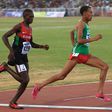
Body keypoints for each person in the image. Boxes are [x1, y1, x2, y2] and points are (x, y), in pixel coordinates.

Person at [32, 6, 111, 102]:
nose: (92, 14)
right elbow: (80, 40)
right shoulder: (81, 24)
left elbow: (71, 32)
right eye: (90, 12)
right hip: (79, 55)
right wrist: (95, 38)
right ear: (85, 13)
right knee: (104, 67)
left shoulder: (83, 24)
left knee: (62, 76)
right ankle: (100, 93)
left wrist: (74, 46)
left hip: (80, 54)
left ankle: (39, 86)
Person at [0, 9, 49, 109]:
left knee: (24, 81)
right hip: (17, 55)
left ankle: (13, 102)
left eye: (33, 16)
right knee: (25, 80)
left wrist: (42, 46)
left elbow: (30, 43)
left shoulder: (29, 29)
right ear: (25, 16)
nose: (32, 18)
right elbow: (4, 36)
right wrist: (11, 50)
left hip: (24, 56)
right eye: (30, 16)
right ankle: (5, 67)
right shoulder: (19, 26)